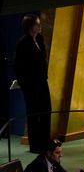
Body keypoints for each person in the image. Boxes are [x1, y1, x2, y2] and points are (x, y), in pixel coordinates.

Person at [14, 14, 51, 154]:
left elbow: (43, 59)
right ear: (30, 26)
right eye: (37, 24)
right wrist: (25, 84)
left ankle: (45, 142)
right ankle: (35, 145)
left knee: (47, 109)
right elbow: (18, 66)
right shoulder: (23, 43)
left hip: (42, 81)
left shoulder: (40, 39)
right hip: (30, 85)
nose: (40, 26)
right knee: (34, 113)